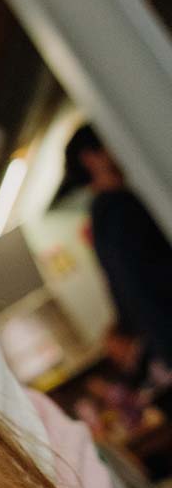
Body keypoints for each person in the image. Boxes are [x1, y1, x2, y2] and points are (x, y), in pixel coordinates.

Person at [60, 123, 172, 395]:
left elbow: (125, 296)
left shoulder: (102, 221)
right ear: (91, 158)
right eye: (109, 144)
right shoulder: (118, 209)